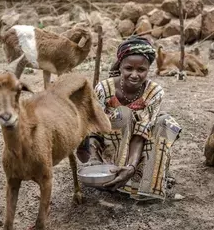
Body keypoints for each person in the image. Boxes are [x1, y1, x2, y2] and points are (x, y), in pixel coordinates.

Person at [77, 36, 182, 201]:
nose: (134, 75)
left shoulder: (155, 92)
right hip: (108, 146)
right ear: (120, 67)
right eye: (128, 68)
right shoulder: (103, 89)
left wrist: (132, 166)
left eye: (141, 70)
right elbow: (91, 128)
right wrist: (94, 159)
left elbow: (142, 131)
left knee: (166, 123)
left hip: (137, 146)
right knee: (123, 114)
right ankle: (112, 173)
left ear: (148, 70)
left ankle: (145, 183)